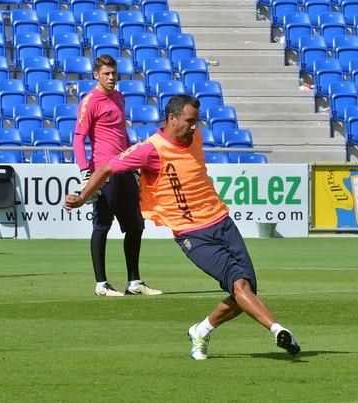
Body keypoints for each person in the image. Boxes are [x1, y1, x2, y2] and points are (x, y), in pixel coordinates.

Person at [65, 94, 300, 360]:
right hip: (192, 235)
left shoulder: (195, 138)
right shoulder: (150, 149)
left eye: (196, 122)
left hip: (223, 222)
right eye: (189, 121)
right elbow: (107, 167)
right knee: (240, 286)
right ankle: (277, 329)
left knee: (246, 291)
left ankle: (201, 330)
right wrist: (83, 196)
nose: (194, 127)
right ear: (172, 118)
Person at [72, 54, 162, 297]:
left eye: (114, 73)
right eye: (106, 74)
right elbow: (78, 138)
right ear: (96, 75)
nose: (111, 78)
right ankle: (101, 284)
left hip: (125, 169)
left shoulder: (119, 98)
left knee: (135, 226)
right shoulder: (89, 101)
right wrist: (85, 171)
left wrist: (135, 158)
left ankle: (134, 282)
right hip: (104, 171)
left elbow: (121, 134)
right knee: (102, 225)